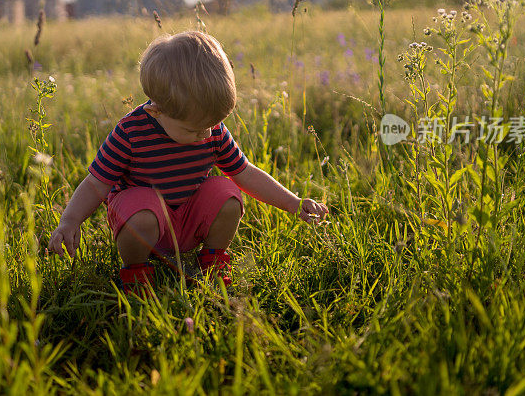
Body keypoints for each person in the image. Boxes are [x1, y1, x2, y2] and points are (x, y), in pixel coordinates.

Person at [47, 30, 327, 294]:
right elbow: (97, 184)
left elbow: (247, 174)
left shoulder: (212, 130)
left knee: (228, 193)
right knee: (142, 206)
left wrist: (295, 203)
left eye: (212, 125)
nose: (204, 135)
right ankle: (136, 272)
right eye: (193, 130)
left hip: (188, 220)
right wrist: (70, 221)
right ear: (157, 111)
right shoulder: (130, 133)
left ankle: (213, 259)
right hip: (143, 227)